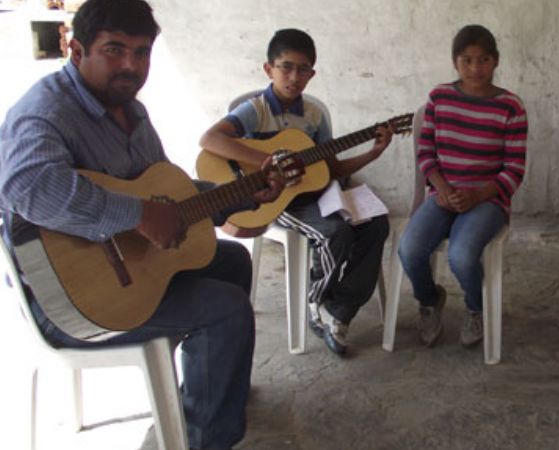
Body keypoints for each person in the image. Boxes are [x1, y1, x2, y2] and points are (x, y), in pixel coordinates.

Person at [0, 1, 289, 448]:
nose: (131, 65)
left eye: (142, 52)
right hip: (71, 301)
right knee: (226, 308)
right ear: (77, 51)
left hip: (133, 273)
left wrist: (242, 194)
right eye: (114, 50)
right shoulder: (44, 113)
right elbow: (29, 189)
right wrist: (134, 215)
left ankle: (211, 397)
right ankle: (205, 439)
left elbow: (166, 195)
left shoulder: (131, 111)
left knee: (231, 261)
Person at [199, 28, 394, 357]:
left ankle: (336, 310)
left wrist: (373, 153)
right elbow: (210, 140)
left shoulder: (314, 116)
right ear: (269, 69)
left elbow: (329, 168)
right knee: (335, 233)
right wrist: (269, 161)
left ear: (312, 74)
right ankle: (318, 303)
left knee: (377, 224)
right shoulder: (256, 109)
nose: (294, 77)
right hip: (276, 200)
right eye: (286, 67)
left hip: (314, 195)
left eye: (303, 69)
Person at [397, 24, 528, 349]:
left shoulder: (511, 107)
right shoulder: (439, 98)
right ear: (456, 62)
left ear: (495, 62)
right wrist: (441, 189)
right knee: (409, 249)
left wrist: (477, 195)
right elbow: (426, 154)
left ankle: (475, 307)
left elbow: (514, 169)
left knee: (462, 255)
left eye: (483, 60)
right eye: (467, 60)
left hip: (488, 200)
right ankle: (429, 301)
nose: (475, 68)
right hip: (443, 194)